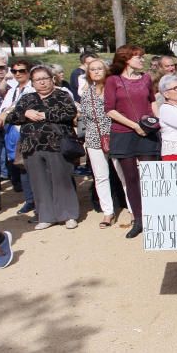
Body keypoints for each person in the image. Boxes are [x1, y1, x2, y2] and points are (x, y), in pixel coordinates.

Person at [7, 66, 79, 231]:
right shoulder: (26, 99)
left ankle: (68, 215)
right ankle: (46, 216)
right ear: (32, 82)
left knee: (62, 180)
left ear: (52, 79)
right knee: (39, 182)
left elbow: (70, 112)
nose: (42, 82)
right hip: (31, 146)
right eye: (38, 80)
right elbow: (11, 117)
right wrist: (26, 114)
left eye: (45, 78)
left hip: (57, 144)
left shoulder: (62, 95)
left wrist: (45, 115)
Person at [105, 44, 159, 239]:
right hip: (123, 133)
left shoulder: (145, 78)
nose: (142, 59)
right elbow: (110, 109)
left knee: (151, 177)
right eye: (138, 57)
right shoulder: (113, 80)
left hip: (147, 133)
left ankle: (155, 217)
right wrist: (133, 125)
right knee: (131, 179)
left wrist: (157, 122)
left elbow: (152, 101)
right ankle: (139, 219)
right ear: (127, 59)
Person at [79, 58, 116, 228]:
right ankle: (107, 212)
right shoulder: (86, 93)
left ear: (106, 70)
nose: (96, 72)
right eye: (92, 69)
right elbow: (85, 118)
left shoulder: (115, 89)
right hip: (94, 137)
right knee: (101, 177)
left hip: (116, 134)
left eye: (99, 68)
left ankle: (133, 210)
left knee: (124, 175)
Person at [0, 58, 35, 213]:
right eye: (14, 71)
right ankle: (30, 200)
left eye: (21, 70)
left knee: (34, 167)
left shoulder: (32, 89)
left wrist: (8, 111)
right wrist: (7, 111)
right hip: (12, 133)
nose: (17, 74)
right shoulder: (12, 90)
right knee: (21, 166)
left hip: (28, 131)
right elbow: (1, 111)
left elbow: (16, 109)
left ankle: (40, 199)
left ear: (29, 72)